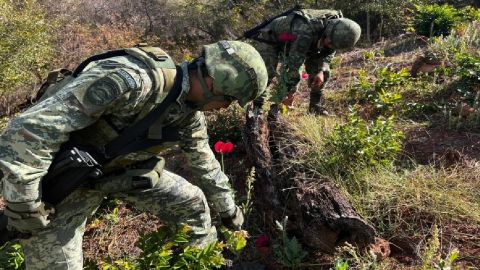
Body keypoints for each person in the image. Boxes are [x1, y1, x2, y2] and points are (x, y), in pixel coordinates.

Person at [0, 40, 268, 269]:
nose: (223, 109)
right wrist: (24, 204)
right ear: (213, 83)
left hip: (118, 174)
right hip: (65, 182)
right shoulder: (133, 80)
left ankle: (196, 262)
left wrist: (229, 211)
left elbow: (205, 163)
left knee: (192, 205)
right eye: (229, 100)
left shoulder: (189, 115)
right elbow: (30, 131)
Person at [248, 8, 361, 115]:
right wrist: (290, 93)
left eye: (333, 45)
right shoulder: (305, 30)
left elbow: (328, 53)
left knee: (323, 72)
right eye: (329, 43)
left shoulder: (341, 29)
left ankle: (315, 106)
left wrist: (321, 70)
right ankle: (257, 108)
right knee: (267, 73)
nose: (329, 46)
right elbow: (294, 66)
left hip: (300, 40)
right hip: (274, 37)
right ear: (328, 32)